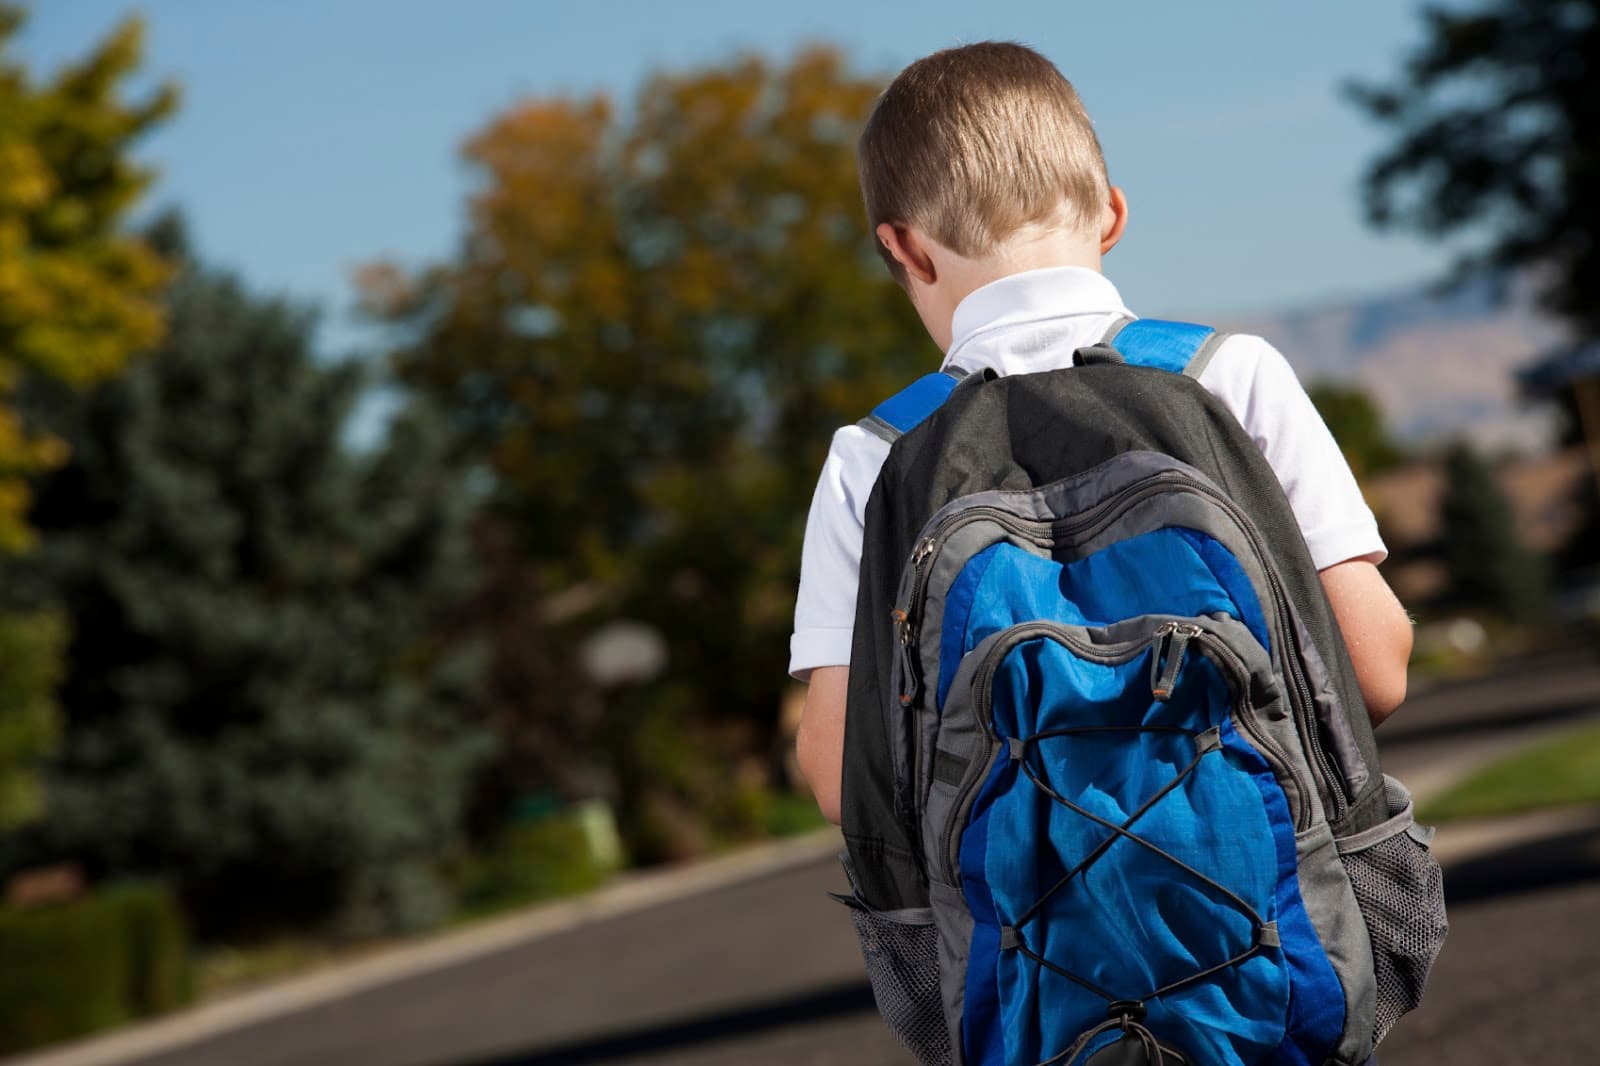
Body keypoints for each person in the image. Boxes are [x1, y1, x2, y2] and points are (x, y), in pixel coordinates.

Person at [789, 40, 1413, 834]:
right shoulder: (1226, 376)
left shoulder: (876, 455)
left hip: (1013, 941)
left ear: (904, 248)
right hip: (1276, 903)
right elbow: (1373, 667)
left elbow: (842, 777)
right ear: (1112, 214)